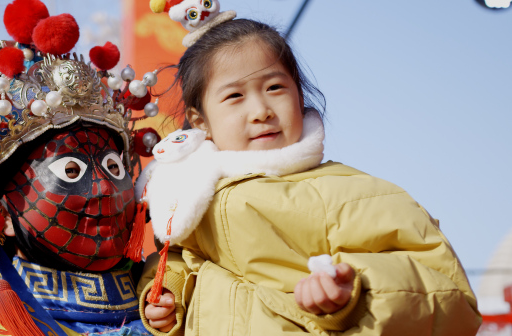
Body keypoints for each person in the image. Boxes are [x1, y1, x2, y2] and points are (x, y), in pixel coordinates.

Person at [136, 17, 482, 335]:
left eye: (274, 87)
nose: (260, 111)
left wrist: (355, 293)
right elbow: (177, 262)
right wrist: (169, 294)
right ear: (200, 122)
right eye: (235, 96)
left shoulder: (352, 192)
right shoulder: (188, 198)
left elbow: (450, 295)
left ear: (299, 96)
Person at [0, 0, 160, 336]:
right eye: (71, 172)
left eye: (114, 168)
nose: (105, 188)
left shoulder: (175, 299)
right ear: (3, 210)